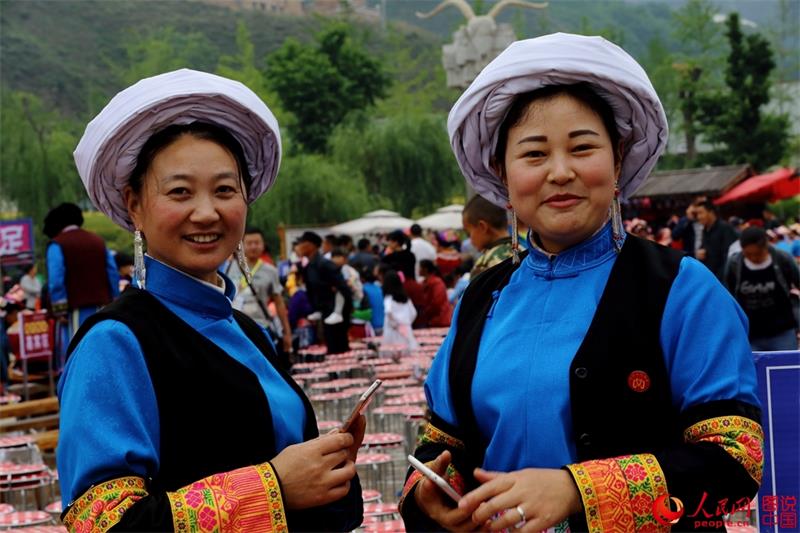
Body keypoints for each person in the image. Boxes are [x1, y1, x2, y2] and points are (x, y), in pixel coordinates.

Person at [400, 34, 762, 533]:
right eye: (534, 154)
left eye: (582, 147)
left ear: (618, 161)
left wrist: (575, 490)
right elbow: (443, 441)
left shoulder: (681, 288)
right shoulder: (481, 297)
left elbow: (735, 462)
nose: (560, 171)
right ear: (503, 177)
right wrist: (431, 493)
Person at [59, 69, 364, 532]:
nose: (206, 212)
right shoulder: (116, 342)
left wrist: (329, 467)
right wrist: (273, 487)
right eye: (180, 192)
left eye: (224, 190)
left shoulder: (248, 331)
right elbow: (100, 522)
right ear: (134, 204)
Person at [43, 202, 119, 362]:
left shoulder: (57, 244)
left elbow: (56, 281)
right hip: (102, 308)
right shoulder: (98, 241)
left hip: (75, 312)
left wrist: (60, 310)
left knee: (77, 354)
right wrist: (114, 300)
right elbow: (112, 272)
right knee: (103, 352)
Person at [725, 226, 799, 351]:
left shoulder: (783, 259)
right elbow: (729, 293)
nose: (754, 258)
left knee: (784, 362)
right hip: (750, 333)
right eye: (748, 254)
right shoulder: (734, 264)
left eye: (758, 254)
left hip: (782, 331)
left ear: (766, 246)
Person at [227, 226, 293, 360]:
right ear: (241, 245)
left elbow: (279, 302)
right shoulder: (228, 267)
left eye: (257, 243)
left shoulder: (270, 271)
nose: (253, 246)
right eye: (249, 243)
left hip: (261, 326)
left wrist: (287, 332)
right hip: (235, 326)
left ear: (263, 245)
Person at [295, 231, 352, 354]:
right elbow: (311, 292)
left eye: (302, 243)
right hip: (323, 314)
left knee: (339, 351)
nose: (299, 246)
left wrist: (344, 314)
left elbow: (344, 289)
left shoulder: (325, 265)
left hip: (336, 317)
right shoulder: (309, 267)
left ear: (311, 245)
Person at [462, 195, 514, 277]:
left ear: (482, 227)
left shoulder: (483, 264)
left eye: (469, 233)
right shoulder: (525, 251)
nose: (470, 240)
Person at [695, 199, 739, 281]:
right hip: (709, 276)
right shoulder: (705, 230)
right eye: (697, 214)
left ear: (711, 212)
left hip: (722, 278)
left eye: (701, 213)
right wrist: (699, 253)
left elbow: (728, 256)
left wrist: (719, 278)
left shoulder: (725, 228)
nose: (698, 217)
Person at [380, 270, 418, 351]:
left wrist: (395, 324)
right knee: (407, 352)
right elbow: (414, 313)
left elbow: (388, 311)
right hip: (406, 329)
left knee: (392, 351)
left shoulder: (389, 298)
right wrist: (406, 322)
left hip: (392, 331)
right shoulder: (406, 299)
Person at [417, 260, 452, 328]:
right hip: (432, 320)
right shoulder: (424, 282)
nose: (418, 270)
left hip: (440, 320)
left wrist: (425, 312)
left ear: (425, 269)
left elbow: (437, 303)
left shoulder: (437, 283)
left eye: (420, 267)